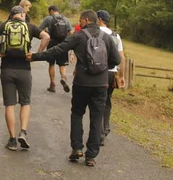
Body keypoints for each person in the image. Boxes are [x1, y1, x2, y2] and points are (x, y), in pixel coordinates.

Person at [26, 10, 121, 167]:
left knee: (77, 114)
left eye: (80, 21)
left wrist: (36, 56)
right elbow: (116, 59)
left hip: (82, 82)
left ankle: (77, 148)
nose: (79, 23)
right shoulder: (107, 38)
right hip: (101, 84)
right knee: (97, 118)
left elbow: (58, 50)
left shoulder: (79, 36)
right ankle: (91, 156)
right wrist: (103, 67)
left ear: (85, 20)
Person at [0, 5, 50, 151]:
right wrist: (36, 55)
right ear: (21, 14)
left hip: (7, 70)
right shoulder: (30, 26)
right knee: (25, 102)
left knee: (9, 104)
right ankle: (23, 132)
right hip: (24, 70)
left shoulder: (4, 25)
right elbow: (46, 37)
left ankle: (12, 139)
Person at [96, 10, 126, 146]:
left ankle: (100, 132)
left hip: (98, 72)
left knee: (97, 102)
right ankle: (106, 126)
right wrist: (122, 75)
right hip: (111, 73)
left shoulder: (96, 33)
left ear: (99, 19)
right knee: (107, 100)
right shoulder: (116, 36)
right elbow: (122, 58)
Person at [38, 5, 72, 93]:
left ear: (51, 11)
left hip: (52, 43)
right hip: (63, 44)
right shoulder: (66, 19)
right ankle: (63, 77)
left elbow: (39, 30)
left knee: (51, 64)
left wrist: (46, 32)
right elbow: (70, 32)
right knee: (62, 64)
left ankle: (52, 84)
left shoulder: (48, 19)